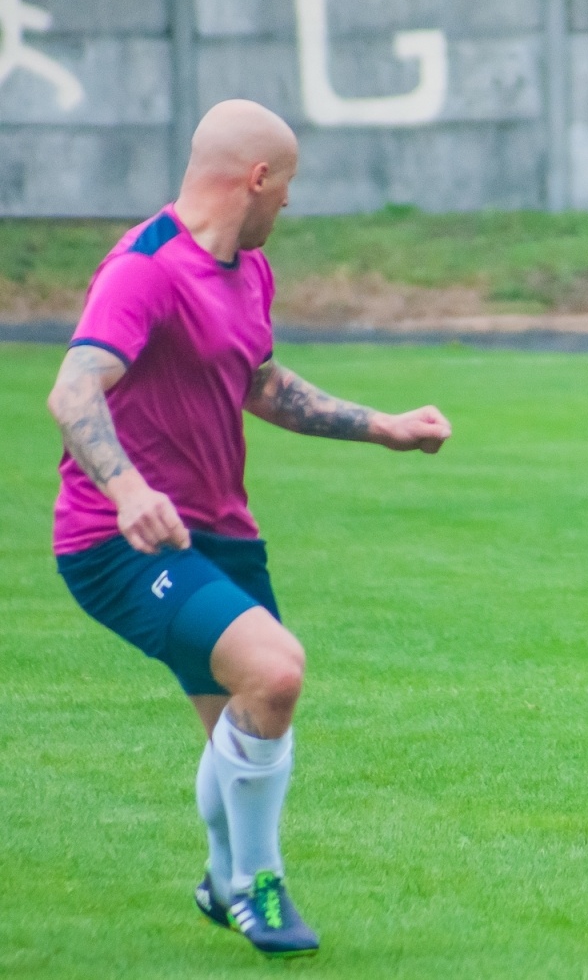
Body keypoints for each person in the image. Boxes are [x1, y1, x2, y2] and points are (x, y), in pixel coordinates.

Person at [47, 99, 453, 955]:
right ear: (257, 177)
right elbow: (73, 389)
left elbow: (261, 383)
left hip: (218, 534)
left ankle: (220, 877)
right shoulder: (145, 268)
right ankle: (257, 887)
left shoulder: (250, 271)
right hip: (122, 541)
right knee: (275, 672)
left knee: (246, 718)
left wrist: (382, 426)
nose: (290, 203)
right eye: (289, 184)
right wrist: (127, 490)